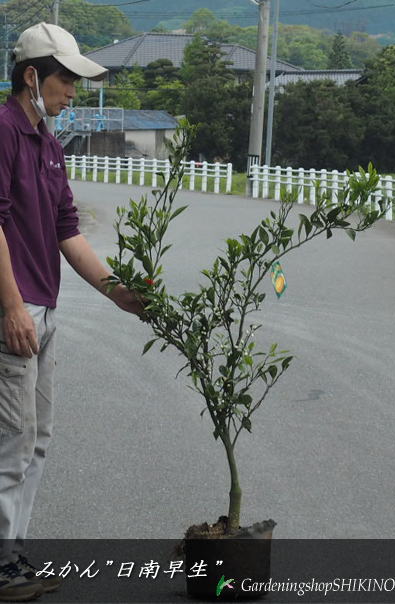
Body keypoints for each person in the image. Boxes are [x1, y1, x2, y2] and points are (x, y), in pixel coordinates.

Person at [0, 22, 141, 601]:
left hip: (46, 307)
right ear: (32, 76)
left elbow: (66, 231)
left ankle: (14, 555)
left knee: (36, 439)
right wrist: (11, 307)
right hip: (15, 307)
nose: (74, 92)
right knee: (11, 439)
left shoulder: (49, 144)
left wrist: (121, 293)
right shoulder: (4, 131)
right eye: (65, 80)